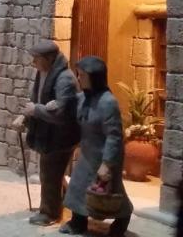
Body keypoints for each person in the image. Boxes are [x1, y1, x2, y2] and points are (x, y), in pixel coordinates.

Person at [59, 56, 133, 236]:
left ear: (94, 77)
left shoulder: (108, 102)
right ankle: (78, 222)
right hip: (87, 153)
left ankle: (122, 219)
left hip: (104, 155)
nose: (78, 79)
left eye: (82, 76)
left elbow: (114, 136)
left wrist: (107, 164)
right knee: (78, 186)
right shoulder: (84, 98)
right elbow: (69, 105)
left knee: (111, 192)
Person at [13, 40, 81, 227]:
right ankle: (63, 201)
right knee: (54, 173)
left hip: (61, 136)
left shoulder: (64, 79)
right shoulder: (43, 72)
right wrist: (25, 117)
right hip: (49, 133)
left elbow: (61, 112)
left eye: (36, 58)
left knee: (50, 173)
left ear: (48, 59)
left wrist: (36, 110)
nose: (32, 62)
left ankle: (49, 213)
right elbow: (36, 102)